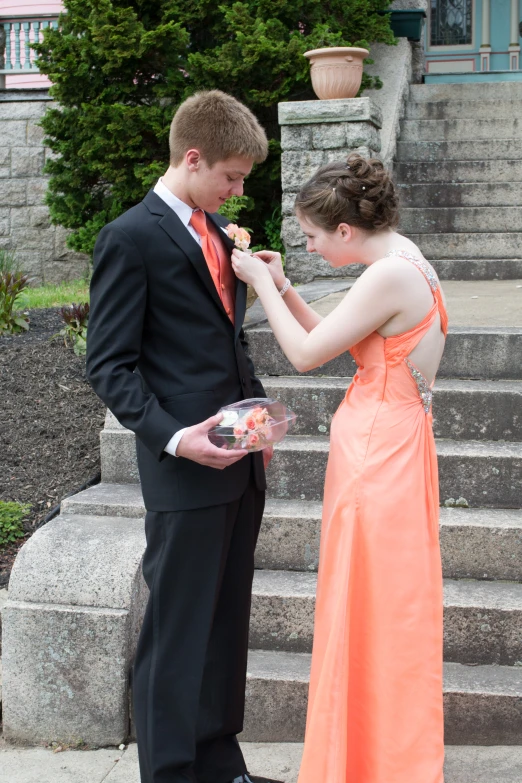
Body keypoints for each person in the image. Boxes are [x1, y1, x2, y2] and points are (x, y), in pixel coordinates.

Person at [231, 153, 447, 783]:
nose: (311, 246)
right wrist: (289, 285)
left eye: (313, 238)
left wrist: (260, 283)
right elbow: (340, 337)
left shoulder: (386, 276)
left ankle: (367, 763)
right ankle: (377, 757)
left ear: (345, 231)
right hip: (394, 442)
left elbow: (303, 356)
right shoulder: (406, 259)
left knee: (370, 603)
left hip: (378, 453)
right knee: (382, 603)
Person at [86, 90, 281, 783]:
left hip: (240, 459)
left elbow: (223, 340)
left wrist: (258, 411)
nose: (235, 191)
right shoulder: (130, 236)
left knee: (224, 626)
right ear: (192, 158)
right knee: (175, 634)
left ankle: (221, 765)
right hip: (186, 467)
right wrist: (174, 438)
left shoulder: (216, 227)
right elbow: (108, 363)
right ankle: (169, 773)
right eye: (229, 176)